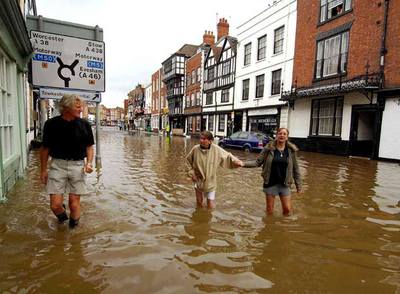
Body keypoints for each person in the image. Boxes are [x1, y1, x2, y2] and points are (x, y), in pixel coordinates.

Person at [40, 94, 94, 228]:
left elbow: (89, 147)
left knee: (74, 203)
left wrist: (89, 163)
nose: (81, 109)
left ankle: (73, 231)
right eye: (78, 107)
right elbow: (45, 149)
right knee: (55, 205)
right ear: (66, 107)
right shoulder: (51, 124)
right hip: (57, 165)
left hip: (77, 166)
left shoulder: (84, 125)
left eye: (81, 106)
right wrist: (43, 170)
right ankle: (63, 223)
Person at [243, 127, 302, 215]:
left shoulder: (291, 151)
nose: (282, 135)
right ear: (276, 135)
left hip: (285, 183)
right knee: (270, 210)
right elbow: (257, 162)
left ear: (287, 137)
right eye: (280, 133)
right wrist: (242, 164)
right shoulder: (268, 149)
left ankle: (283, 227)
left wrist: (299, 186)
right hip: (270, 183)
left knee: (287, 210)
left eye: (284, 134)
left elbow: (296, 169)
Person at [186, 131, 243, 209]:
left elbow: (227, 156)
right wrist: (192, 174)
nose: (201, 140)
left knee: (210, 204)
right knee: (199, 202)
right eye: (201, 138)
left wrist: (237, 161)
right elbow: (187, 161)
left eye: (204, 139)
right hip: (198, 179)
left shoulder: (216, 149)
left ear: (210, 141)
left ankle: (209, 218)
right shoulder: (195, 149)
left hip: (211, 181)